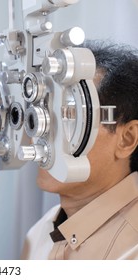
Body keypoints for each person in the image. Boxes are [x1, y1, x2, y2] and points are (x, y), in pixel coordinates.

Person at [21, 39, 138, 260]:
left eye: (70, 117)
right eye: (44, 115)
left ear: (127, 139)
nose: (43, 134)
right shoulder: (37, 235)